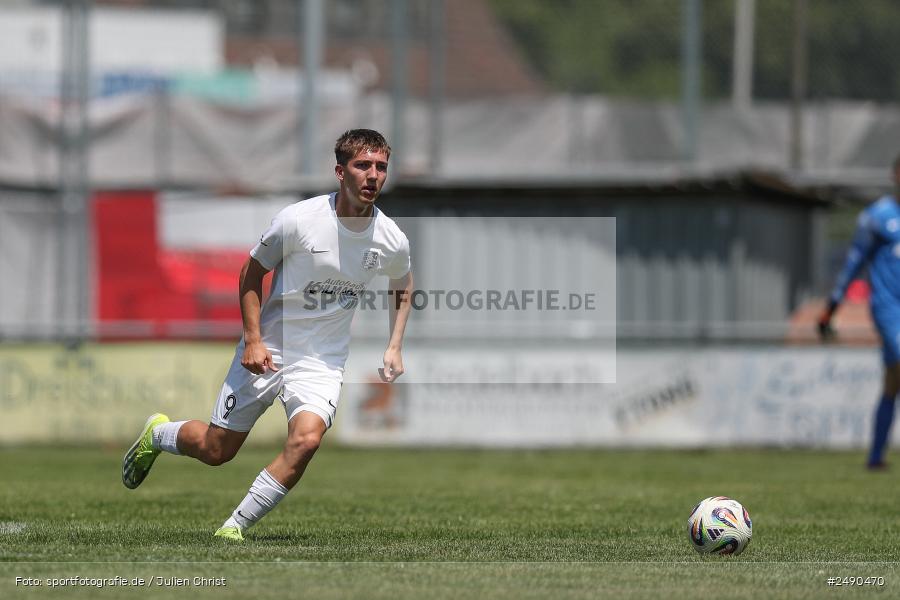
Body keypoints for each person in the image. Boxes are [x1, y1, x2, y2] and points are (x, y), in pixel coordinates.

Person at [122, 129, 413, 540]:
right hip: (270, 347)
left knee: (307, 441)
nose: (373, 175)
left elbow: (403, 283)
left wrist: (394, 344)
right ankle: (159, 434)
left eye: (381, 167)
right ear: (339, 171)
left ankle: (232, 529)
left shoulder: (391, 238)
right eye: (362, 165)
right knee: (215, 449)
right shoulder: (298, 220)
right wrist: (254, 339)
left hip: (321, 361)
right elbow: (251, 272)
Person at [819, 154, 900, 469]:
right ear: (895, 175)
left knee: (893, 381)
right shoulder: (877, 216)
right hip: (889, 307)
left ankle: (876, 457)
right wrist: (831, 308)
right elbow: (853, 263)